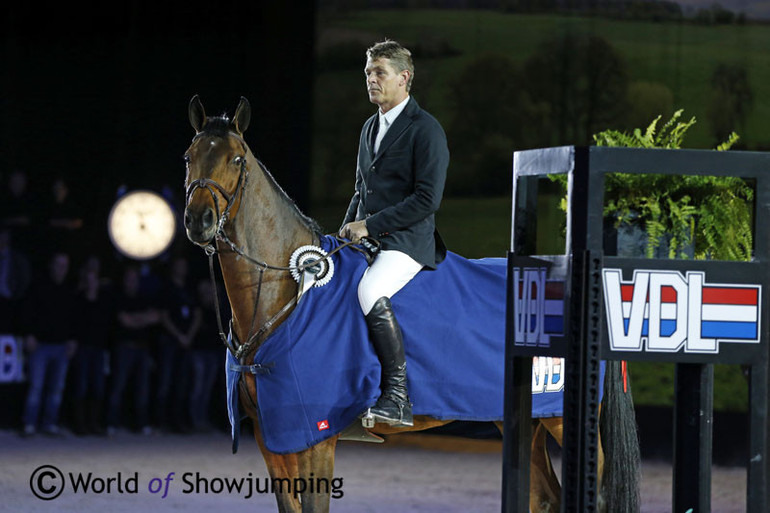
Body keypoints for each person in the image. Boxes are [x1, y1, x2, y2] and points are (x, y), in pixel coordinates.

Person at [339, 40, 449, 427]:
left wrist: (369, 225)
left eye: (379, 72)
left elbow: (426, 199)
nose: (371, 79)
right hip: (370, 236)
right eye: (368, 72)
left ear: (404, 78)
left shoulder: (426, 130)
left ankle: (398, 396)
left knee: (369, 291)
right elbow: (360, 189)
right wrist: (343, 233)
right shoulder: (370, 126)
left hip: (407, 241)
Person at [20, 252, 78, 436]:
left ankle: (49, 424)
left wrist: (72, 339)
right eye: (58, 264)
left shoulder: (69, 290)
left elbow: (74, 318)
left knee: (56, 388)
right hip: (40, 345)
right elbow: (27, 311)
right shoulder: (38, 286)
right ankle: (29, 424)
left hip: (62, 346)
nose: (61, 269)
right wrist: (29, 335)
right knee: (36, 386)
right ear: (51, 265)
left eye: (65, 265)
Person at [106, 266, 160, 435]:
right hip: (124, 348)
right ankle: (111, 423)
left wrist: (136, 318)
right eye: (128, 279)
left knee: (142, 389)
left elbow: (155, 317)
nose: (131, 282)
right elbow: (125, 321)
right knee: (118, 386)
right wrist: (142, 318)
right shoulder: (119, 298)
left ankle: (141, 424)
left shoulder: (144, 297)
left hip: (142, 349)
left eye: (134, 279)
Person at [71, 257, 114, 435]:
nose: (91, 282)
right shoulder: (79, 299)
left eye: (94, 279)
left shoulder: (103, 301)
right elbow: (73, 324)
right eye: (88, 279)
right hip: (82, 348)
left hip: (99, 349)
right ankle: (80, 425)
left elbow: (107, 325)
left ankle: (94, 423)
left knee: (98, 387)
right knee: (81, 386)